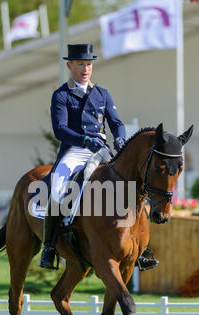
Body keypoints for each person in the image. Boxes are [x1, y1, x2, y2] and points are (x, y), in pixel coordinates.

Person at [40, 44, 158, 272]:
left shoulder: (102, 93)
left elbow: (116, 123)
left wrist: (121, 140)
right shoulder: (62, 95)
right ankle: (50, 246)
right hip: (74, 150)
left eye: (89, 64)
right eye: (81, 64)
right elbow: (60, 130)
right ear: (69, 65)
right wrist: (84, 140)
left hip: (101, 150)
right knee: (56, 187)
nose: (85, 69)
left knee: (131, 185)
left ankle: (140, 248)